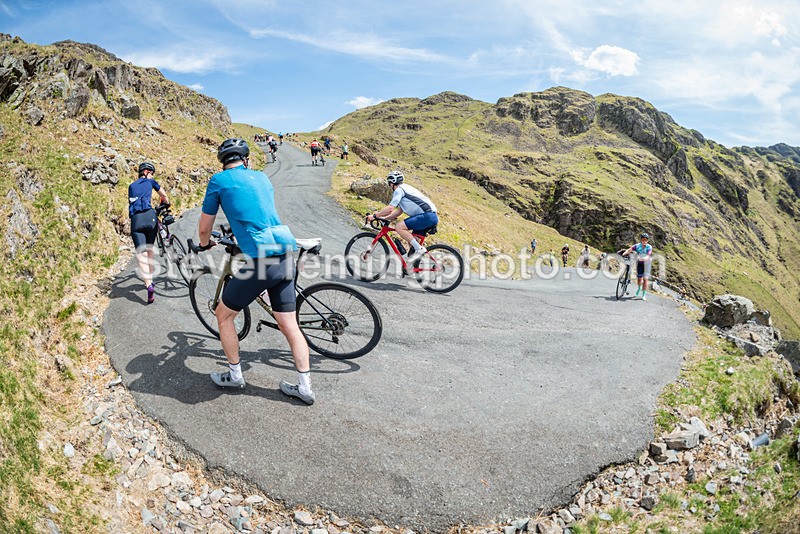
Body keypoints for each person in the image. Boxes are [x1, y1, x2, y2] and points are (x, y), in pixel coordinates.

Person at [196, 138, 315, 404]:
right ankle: (305, 386)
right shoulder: (261, 177)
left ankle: (235, 375)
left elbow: (205, 229)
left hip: (261, 262)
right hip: (285, 254)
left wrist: (205, 245)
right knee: (289, 325)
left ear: (224, 161)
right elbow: (255, 211)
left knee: (223, 315)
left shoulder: (218, 181)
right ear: (246, 159)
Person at [366, 171, 437, 262]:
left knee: (399, 227)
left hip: (427, 215)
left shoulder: (399, 190)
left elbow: (390, 208)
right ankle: (412, 268)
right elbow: (399, 211)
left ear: (392, 183)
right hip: (429, 216)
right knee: (412, 243)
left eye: (389, 183)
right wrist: (384, 218)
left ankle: (420, 249)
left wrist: (375, 216)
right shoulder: (405, 188)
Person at [128, 162, 169, 304]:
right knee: (150, 250)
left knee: (141, 253)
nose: (152, 175)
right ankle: (151, 279)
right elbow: (163, 194)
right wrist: (166, 202)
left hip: (136, 219)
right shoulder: (151, 181)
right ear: (146, 172)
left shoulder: (131, 186)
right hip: (150, 216)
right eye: (151, 172)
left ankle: (149, 284)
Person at [621, 232, 653, 301]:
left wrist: (644, 258)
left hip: (647, 264)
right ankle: (639, 288)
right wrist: (624, 254)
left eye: (645, 240)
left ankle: (644, 295)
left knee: (645, 279)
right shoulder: (637, 246)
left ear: (647, 241)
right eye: (643, 240)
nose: (644, 241)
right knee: (639, 279)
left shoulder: (649, 247)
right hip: (640, 264)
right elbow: (630, 250)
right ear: (641, 240)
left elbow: (648, 255)